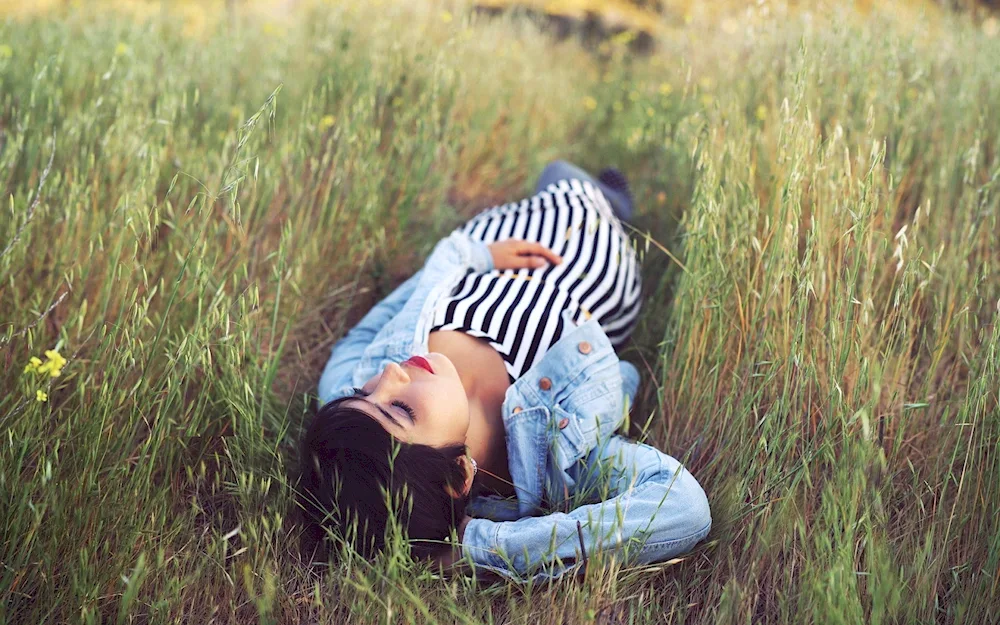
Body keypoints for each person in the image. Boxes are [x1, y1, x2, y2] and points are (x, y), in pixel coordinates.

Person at [297, 160, 711, 582]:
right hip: (592, 260)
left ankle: (594, 193)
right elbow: (682, 507)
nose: (388, 374)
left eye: (363, 393)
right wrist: (478, 550)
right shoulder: (559, 455)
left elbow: (361, 334)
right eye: (400, 410)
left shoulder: (350, 401)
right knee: (573, 185)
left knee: (556, 173)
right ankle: (611, 201)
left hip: (498, 240)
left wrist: (472, 257)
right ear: (458, 473)